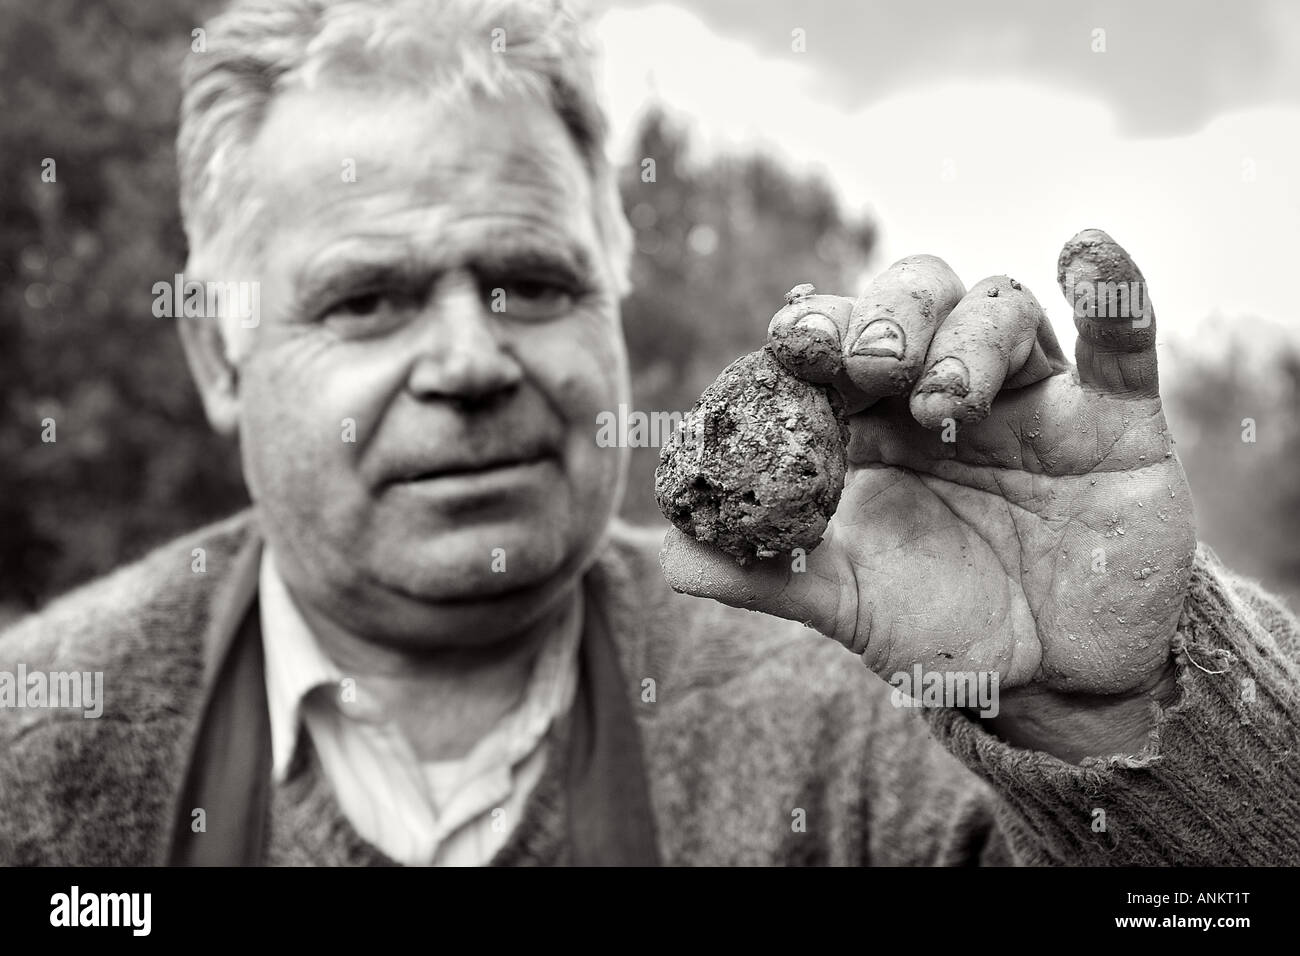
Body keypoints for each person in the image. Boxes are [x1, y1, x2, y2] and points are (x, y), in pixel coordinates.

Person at [0, 0, 1295, 866]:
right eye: (367, 299)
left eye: (535, 283)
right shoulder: (41, 756)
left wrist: (1113, 724)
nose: (470, 361)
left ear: (615, 301)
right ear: (216, 354)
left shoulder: (896, 721)